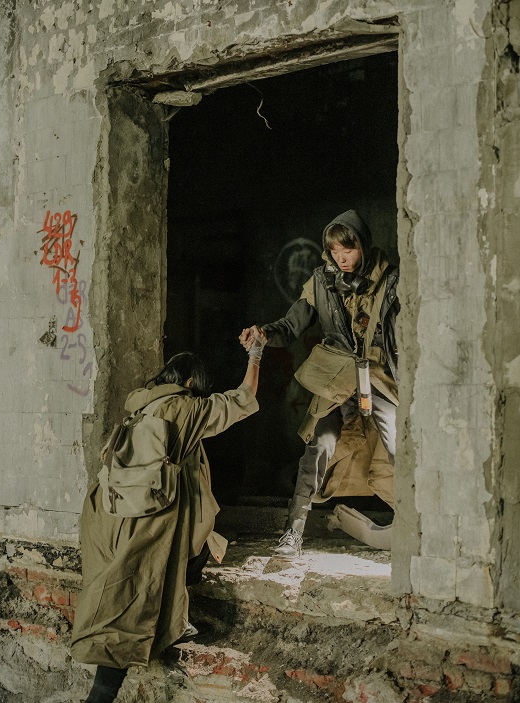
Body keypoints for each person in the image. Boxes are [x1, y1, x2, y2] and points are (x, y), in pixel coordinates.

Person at [70, 337, 265, 703]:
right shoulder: (184, 408)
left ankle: (175, 618)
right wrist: (256, 353)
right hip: (148, 520)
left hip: (109, 516)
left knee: (119, 594)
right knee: (124, 612)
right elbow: (243, 398)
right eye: (198, 388)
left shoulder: (137, 408)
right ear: (190, 382)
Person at [240, 210, 399, 557]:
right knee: (319, 447)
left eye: (350, 250)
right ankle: (293, 531)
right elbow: (292, 323)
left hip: (379, 377)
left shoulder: (391, 281)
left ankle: (417, 522)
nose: (343, 259)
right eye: (336, 252)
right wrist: (264, 333)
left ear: (363, 246)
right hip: (337, 377)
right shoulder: (320, 283)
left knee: (399, 446)